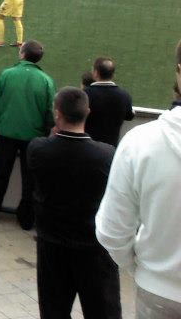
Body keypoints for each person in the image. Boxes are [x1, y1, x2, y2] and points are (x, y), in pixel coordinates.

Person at [96, 50, 181, 317]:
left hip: (159, 294)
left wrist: (146, 272)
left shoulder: (140, 142)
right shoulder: (140, 141)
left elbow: (112, 233)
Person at [27, 87, 120, 319]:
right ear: (87, 112)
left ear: (57, 114)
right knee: (103, 312)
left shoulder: (38, 149)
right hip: (94, 248)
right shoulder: (106, 155)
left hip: (52, 246)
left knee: (53, 312)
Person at [0, 40, 55, 229]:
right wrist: (45, 132)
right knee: (29, 179)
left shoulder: (7, 74)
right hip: (33, 136)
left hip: (6, 133)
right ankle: (26, 219)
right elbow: (50, 112)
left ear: (22, 54)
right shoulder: (46, 81)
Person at [84, 56, 134, 146]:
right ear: (112, 74)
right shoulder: (124, 96)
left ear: (96, 73)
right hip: (111, 149)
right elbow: (129, 115)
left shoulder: (85, 95)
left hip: (87, 147)